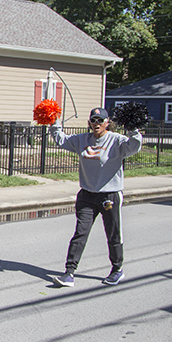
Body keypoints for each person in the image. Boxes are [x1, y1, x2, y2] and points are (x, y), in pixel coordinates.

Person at [50, 107, 143, 287]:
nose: (97, 124)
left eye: (100, 120)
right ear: (89, 123)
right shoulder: (82, 140)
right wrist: (54, 122)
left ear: (107, 123)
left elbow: (134, 146)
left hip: (109, 196)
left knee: (113, 234)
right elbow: (62, 140)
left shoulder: (117, 141)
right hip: (87, 196)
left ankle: (117, 269)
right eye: (93, 120)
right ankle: (69, 273)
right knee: (80, 233)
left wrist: (134, 130)